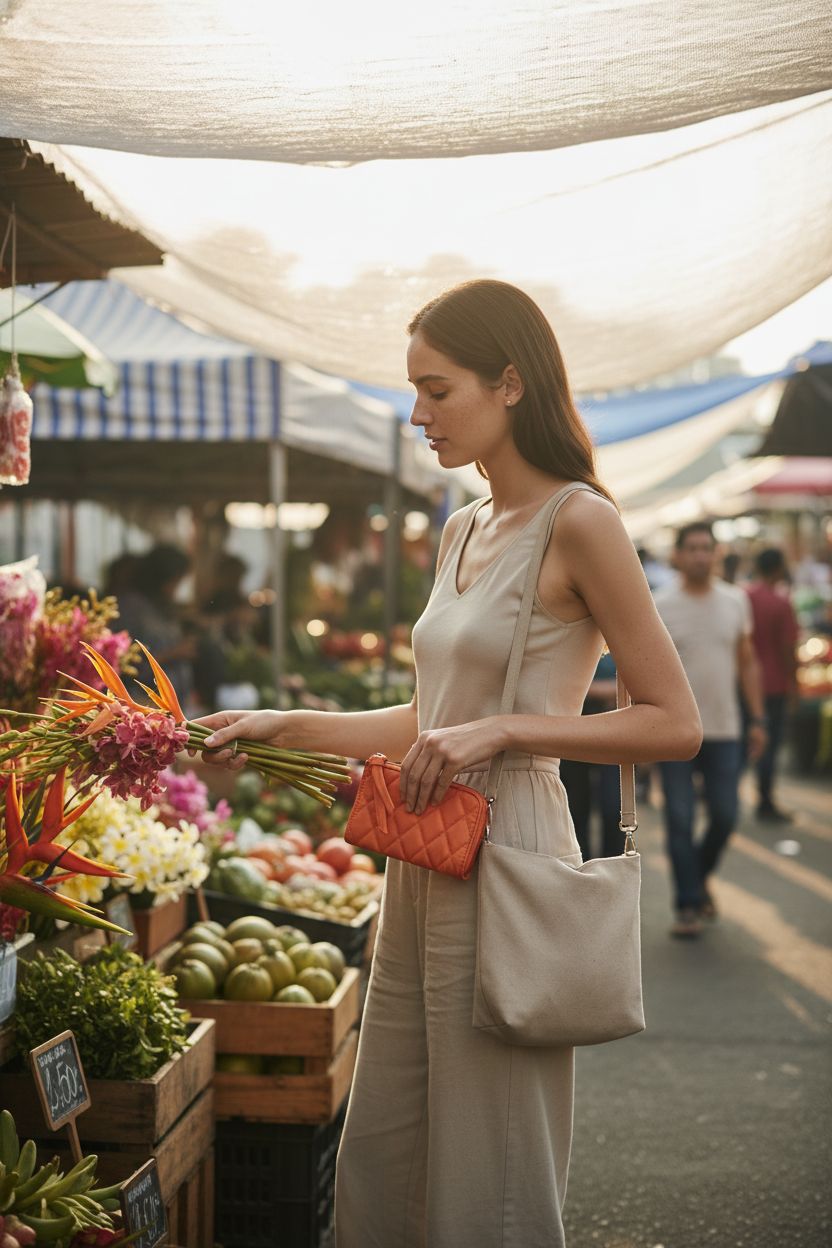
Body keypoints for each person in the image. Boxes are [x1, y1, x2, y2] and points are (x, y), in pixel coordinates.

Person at [194, 279, 701, 1248]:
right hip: (422, 852)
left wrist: (510, 731)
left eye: (437, 390)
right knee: (388, 1148)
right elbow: (429, 719)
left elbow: (673, 721)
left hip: (510, 846)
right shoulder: (463, 529)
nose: (418, 414)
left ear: (510, 382)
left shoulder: (580, 521)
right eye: (414, 391)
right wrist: (281, 722)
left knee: (491, 1166)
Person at [654, 522, 767, 939]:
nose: (701, 555)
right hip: (675, 731)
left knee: (725, 815)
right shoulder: (660, 604)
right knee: (679, 818)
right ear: (679, 555)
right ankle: (687, 905)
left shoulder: (736, 601)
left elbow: (747, 661)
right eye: (693, 548)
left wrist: (757, 719)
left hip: (725, 729)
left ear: (717, 553)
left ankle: (696, 878)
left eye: (707, 548)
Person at [745, 547, 800, 822]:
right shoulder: (781, 603)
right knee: (770, 742)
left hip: (745, 684)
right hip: (774, 684)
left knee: (748, 740)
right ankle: (765, 800)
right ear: (778, 569)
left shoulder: (744, 597)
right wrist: (794, 683)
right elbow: (788, 649)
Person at [559, 651, 624, 859]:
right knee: (575, 810)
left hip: (614, 729)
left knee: (614, 809)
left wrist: (585, 689)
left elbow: (636, 686)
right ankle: (582, 869)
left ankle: (610, 870)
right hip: (570, 729)